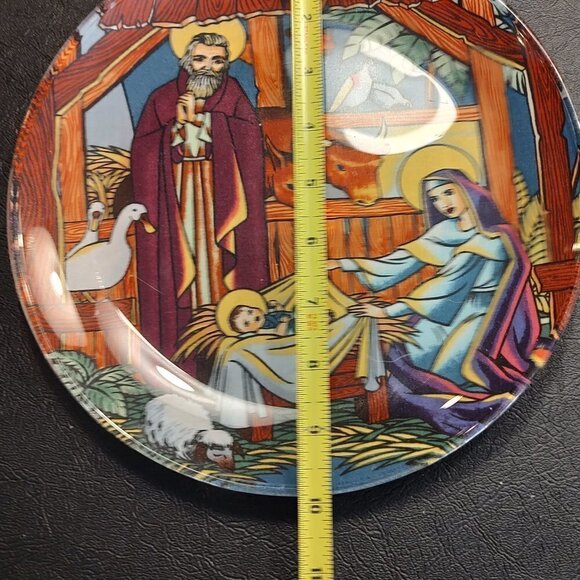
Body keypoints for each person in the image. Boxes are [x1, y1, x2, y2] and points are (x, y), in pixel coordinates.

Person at [329, 169, 541, 435]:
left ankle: (472, 407)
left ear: (468, 190)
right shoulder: (446, 230)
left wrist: (388, 312)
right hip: (451, 309)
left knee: (454, 367)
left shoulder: (493, 238)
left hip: (489, 313)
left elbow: (448, 284)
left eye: (448, 192)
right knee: (413, 352)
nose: (443, 203)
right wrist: (345, 263)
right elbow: (402, 261)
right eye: (435, 198)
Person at [132, 32, 269, 361]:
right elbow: (143, 151)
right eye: (200, 59)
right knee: (182, 262)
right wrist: (174, 128)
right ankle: (185, 342)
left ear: (226, 64)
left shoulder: (233, 95)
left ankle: (227, 339)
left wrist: (212, 124)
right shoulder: (163, 98)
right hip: (178, 200)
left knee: (219, 261)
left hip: (223, 197)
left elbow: (251, 142)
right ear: (186, 61)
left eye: (217, 60)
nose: (208, 67)